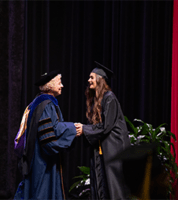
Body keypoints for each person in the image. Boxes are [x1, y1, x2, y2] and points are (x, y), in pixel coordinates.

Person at [14, 70, 78, 200]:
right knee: (42, 193)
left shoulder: (37, 103)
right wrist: (72, 128)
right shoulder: (46, 105)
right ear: (50, 86)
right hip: (42, 162)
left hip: (39, 158)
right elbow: (48, 137)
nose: (62, 86)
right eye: (59, 83)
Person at [75, 61, 131, 200]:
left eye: (92, 77)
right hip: (105, 151)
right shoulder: (99, 100)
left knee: (114, 189)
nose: (89, 80)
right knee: (102, 187)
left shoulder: (110, 98)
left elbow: (106, 127)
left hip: (115, 151)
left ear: (100, 80)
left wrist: (84, 128)